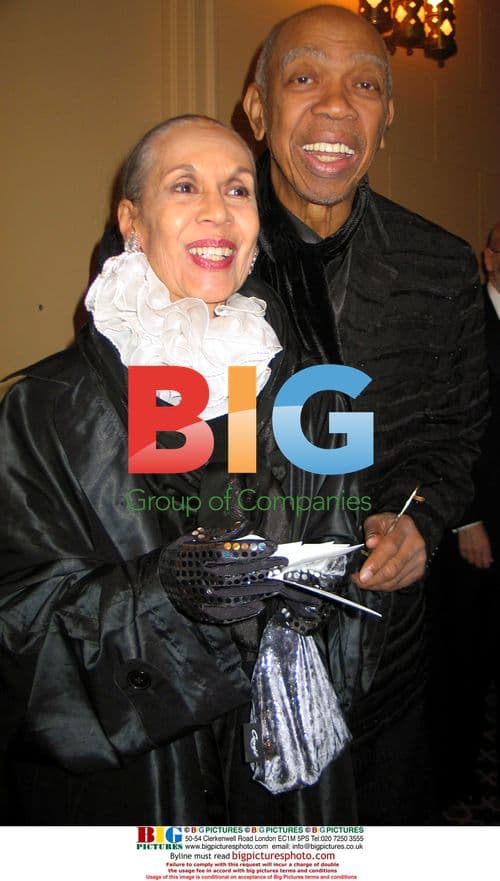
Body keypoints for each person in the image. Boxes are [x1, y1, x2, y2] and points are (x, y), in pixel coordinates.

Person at [0, 114, 368, 825]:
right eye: (184, 185)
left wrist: (322, 602)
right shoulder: (44, 409)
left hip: (284, 791)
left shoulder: (305, 391)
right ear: (131, 220)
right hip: (132, 796)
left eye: (237, 189)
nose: (216, 211)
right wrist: (167, 602)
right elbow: (19, 647)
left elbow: (347, 579)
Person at [239, 4, 488, 822]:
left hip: (386, 652)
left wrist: (418, 522)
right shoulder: (183, 261)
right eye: (305, 77)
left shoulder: (441, 266)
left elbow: (459, 433)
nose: (337, 106)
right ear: (259, 108)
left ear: (386, 119)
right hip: (227, 666)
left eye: (365, 85)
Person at [427, 222, 500, 809]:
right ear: (489, 257)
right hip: (472, 518)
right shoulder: (463, 317)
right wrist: (464, 519)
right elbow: (446, 424)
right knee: (463, 654)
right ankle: (453, 779)